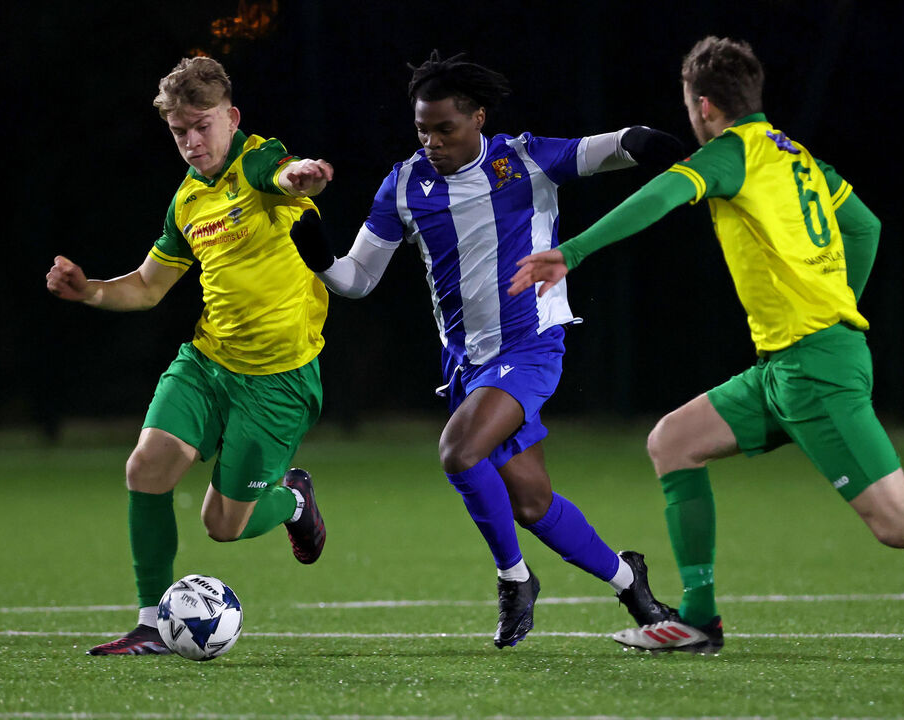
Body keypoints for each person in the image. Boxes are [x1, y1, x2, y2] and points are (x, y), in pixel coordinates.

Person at [509, 36, 904, 680]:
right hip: (787, 367)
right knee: (673, 442)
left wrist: (572, 251)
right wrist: (836, 303)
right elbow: (865, 226)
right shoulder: (797, 157)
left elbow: (658, 197)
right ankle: (699, 620)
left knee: (898, 519)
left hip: (815, 367)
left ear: (703, 106)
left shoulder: (729, 154)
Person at [288, 51, 681, 648]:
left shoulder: (524, 159)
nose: (432, 142)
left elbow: (611, 148)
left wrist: (657, 144)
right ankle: (632, 584)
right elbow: (357, 280)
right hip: (467, 366)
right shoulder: (404, 185)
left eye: (444, 128)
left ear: (477, 117)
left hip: (531, 346)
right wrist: (320, 257)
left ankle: (515, 579)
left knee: (459, 451)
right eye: (422, 129)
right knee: (532, 503)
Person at [46, 56, 333, 656]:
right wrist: (89, 289)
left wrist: (301, 174)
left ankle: (292, 500)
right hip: (207, 362)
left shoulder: (258, 161)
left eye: (203, 126)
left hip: (277, 381)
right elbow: (148, 286)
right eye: (180, 131)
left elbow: (282, 175)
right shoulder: (186, 201)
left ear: (231, 118)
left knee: (222, 526)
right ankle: (152, 623)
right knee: (146, 466)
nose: (192, 141)